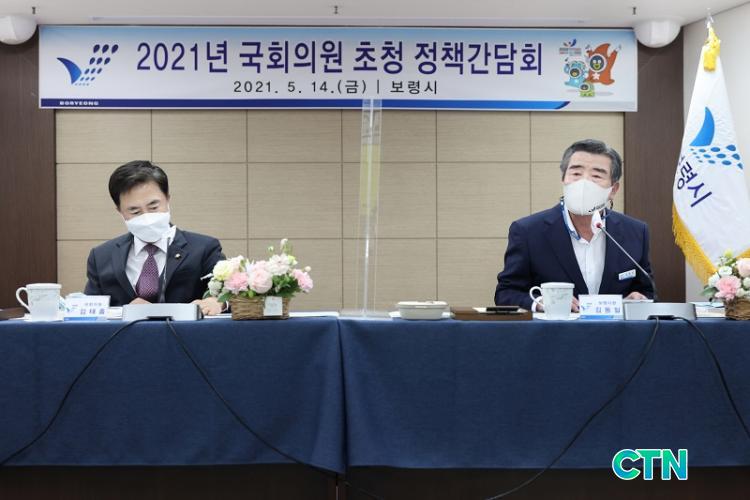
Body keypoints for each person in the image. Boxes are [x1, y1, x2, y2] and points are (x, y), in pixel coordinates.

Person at [495, 139, 654, 311]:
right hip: (556, 327)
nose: (584, 182)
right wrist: (539, 302)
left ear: (613, 190)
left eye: (596, 176)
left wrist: (639, 299)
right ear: (563, 180)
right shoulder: (528, 231)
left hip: (616, 328)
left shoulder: (636, 232)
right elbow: (506, 293)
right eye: (576, 173)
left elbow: (647, 290)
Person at [84, 161, 224, 315]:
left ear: (167, 199)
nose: (146, 217)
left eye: (153, 207)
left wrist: (217, 302)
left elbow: (228, 295)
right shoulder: (101, 256)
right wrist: (125, 311)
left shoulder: (204, 248)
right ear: (120, 211)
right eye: (135, 211)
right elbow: (90, 312)